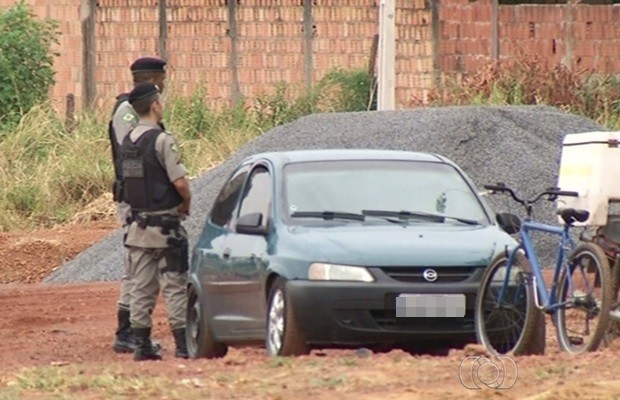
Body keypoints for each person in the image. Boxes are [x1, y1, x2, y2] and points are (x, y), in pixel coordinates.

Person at [120, 83, 191, 361]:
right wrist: (186, 204)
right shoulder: (162, 140)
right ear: (155, 105)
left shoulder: (127, 142)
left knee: (141, 287)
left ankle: (141, 345)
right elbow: (180, 183)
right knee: (175, 285)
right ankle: (184, 346)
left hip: (138, 227)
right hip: (166, 227)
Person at [109, 57, 167, 354]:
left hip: (142, 199)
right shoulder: (128, 111)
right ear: (151, 79)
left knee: (138, 266)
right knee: (136, 266)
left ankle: (130, 330)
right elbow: (130, 157)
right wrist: (139, 200)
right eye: (161, 78)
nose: (164, 84)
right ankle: (126, 332)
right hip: (136, 200)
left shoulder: (137, 109)